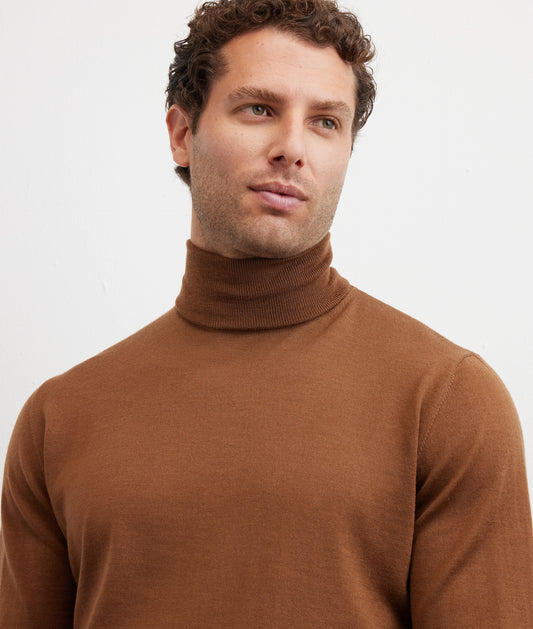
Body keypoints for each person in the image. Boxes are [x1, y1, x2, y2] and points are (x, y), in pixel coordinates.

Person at [1, 0, 531, 626]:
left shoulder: (446, 401)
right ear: (182, 134)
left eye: (326, 122)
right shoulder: (59, 420)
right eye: (259, 109)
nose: (292, 148)